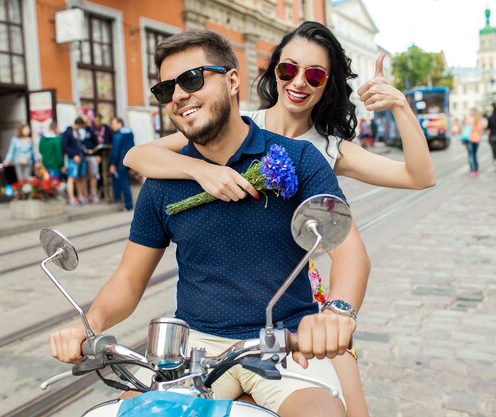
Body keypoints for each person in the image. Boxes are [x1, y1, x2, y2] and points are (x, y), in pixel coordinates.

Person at [49, 29, 371, 417]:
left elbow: (349, 251)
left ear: (232, 80)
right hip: (195, 350)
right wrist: (89, 323)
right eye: (167, 89)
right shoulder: (162, 184)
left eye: (192, 79)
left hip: (285, 340)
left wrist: (336, 313)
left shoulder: (297, 158)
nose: (179, 95)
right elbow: (129, 280)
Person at [123, 21, 435, 417]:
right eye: (288, 69)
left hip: (304, 288)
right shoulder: (239, 120)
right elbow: (138, 157)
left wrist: (400, 106)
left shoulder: (327, 149)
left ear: (327, 85)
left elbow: (419, 176)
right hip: (226, 306)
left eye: (315, 75)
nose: (298, 82)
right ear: (274, 71)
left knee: (351, 405)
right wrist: (202, 171)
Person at [109, 117, 135, 211]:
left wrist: (112, 163)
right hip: (129, 160)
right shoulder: (129, 133)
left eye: (113, 123)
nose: (112, 126)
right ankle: (128, 204)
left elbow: (116, 151)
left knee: (123, 182)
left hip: (120, 162)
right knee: (126, 182)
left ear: (120, 123)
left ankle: (127, 204)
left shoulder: (118, 135)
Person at [61, 117, 89, 206]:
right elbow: (65, 147)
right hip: (72, 159)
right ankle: (71, 198)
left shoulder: (77, 132)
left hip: (80, 157)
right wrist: (74, 155)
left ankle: (80, 196)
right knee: (71, 178)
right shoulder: (67, 133)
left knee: (79, 178)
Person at [465, 108, 483, 177]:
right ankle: (476, 170)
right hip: (477, 139)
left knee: (471, 155)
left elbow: (466, 129)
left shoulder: (470, 119)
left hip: (470, 139)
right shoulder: (479, 120)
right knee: (475, 155)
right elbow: (480, 130)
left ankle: (472, 170)